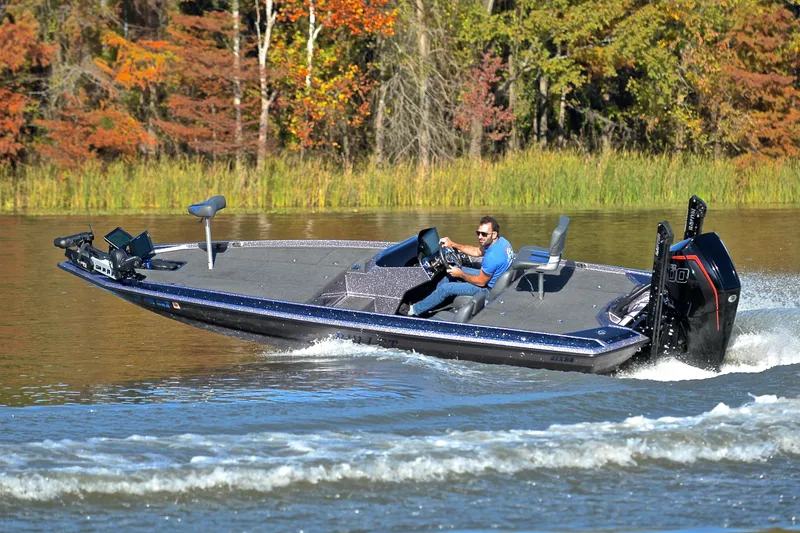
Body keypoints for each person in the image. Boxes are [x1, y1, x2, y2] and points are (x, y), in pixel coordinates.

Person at [400, 216, 514, 317]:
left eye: (484, 234)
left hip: (489, 290)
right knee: (450, 273)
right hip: (496, 281)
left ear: (493, 234)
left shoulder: (492, 257)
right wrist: (453, 244)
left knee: (446, 288)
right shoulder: (501, 242)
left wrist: (461, 274)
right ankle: (430, 300)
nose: (480, 237)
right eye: (478, 233)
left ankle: (414, 310)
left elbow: (481, 282)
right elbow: (476, 251)